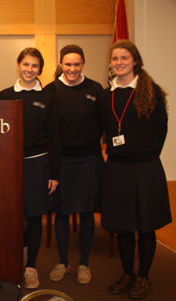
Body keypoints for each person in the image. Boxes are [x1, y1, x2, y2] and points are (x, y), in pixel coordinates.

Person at [100, 40, 171, 299]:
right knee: (123, 226)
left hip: (145, 168)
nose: (119, 63)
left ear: (135, 61)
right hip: (118, 170)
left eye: (124, 58)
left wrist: (146, 155)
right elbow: (107, 129)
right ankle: (128, 273)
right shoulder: (106, 95)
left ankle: (144, 277)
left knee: (146, 226)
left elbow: (160, 130)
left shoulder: (149, 90)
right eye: (115, 58)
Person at [0, 47, 61, 289]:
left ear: (40, 69)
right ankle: (14, 260)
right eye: (26, 64)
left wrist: (54, 172)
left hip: (38, 164)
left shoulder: (48, 97)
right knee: (12, 216)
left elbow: (55, 136)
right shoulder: (4, 95)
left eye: (35, 66)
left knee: (34, 217)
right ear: (18, 64)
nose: (30, 70)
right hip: (9, 166)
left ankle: (31, 267)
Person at [44, 45, 104, 285]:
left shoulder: (95, 88)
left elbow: (103, 123)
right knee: (61, 212)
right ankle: (63, 261)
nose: (72, 69)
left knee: (87, 212)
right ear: (61, 64)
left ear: (83, 64)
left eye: (76, 64)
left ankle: (84, 264)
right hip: (61, 161)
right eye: (67, 64)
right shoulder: (51, 90)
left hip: (89, 160)